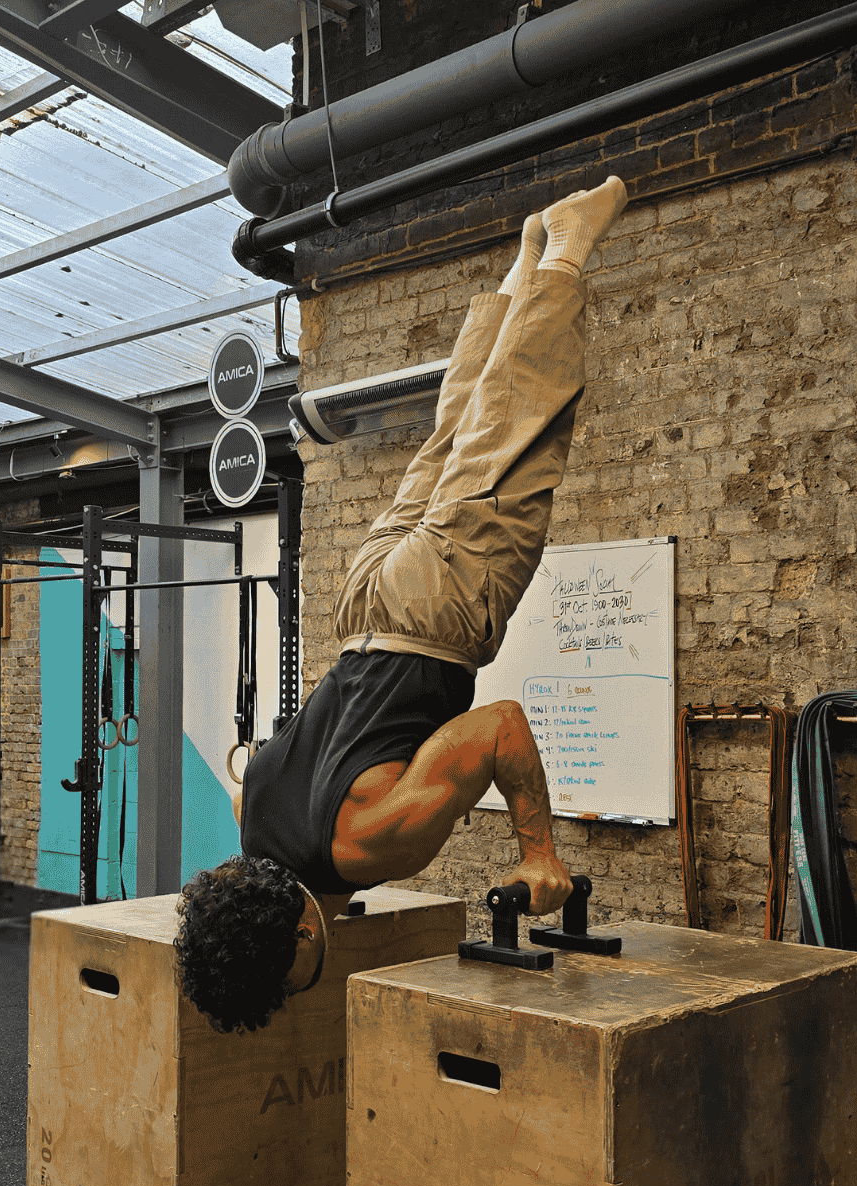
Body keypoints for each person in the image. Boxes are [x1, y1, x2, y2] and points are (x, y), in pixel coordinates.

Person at [175, 177, 629, 1033]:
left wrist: (539, 854)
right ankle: (522, 268)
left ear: (299, 939)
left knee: (516, 439)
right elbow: (268, 767)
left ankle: (566, 250)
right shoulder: (253, 818)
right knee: (457, 438)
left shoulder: (368, 841)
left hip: (436, 613)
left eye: (292, 976)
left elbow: (499, 729)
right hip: (365, 600)